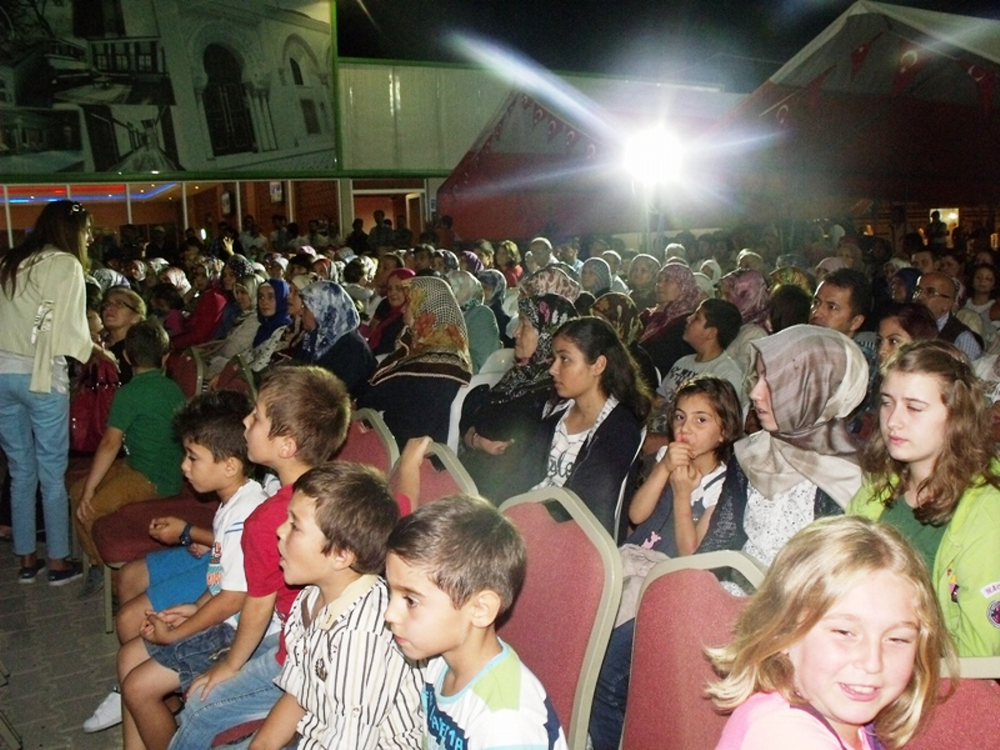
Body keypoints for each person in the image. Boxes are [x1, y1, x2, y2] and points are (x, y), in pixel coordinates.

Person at [170, 366, 351, 749]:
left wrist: (231, 666)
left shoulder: (268, 519)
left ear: (286, 446)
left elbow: (258, 605)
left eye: (256, 417)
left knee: (199, 706)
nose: (245, 422)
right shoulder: (344, 489)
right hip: (313, 640)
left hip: (301, 651)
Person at [83, 391, 259, 734]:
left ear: (229, 466)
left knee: (138, 683)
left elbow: (233, 598)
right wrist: (194, 607)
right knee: (128, 659)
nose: (183, 466)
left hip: (233, 632)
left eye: (193, 457)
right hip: (223, 615)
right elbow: (222, 580)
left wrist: (180, 631)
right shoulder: (233, 504)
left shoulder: (244, 515)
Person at [708, 516, 955, 750]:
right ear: (783, 632)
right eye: (845, 633)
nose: (872, 663)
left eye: (896, 639)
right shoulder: (783, 733)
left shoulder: (853, 725)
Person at [590, 377, 744, 750]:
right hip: (634, 563)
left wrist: (682, 494)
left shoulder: (724, 485)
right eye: (679, 417)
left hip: (669, 586)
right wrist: (662, 471)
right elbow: (637, 514)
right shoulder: (667, 459)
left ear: (724, 431)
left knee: (606, 669)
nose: (685, 428)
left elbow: (692, 556)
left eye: (701, 420)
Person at [237, 463, 422, 749]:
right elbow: (299, 693)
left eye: (295, 525)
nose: (279, 531)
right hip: (319, 732)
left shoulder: (361, 637)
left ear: (341, 555)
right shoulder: (310, 597)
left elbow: (351, 741)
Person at [850, 340, 1000, 656]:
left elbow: (978, 652)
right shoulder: (878, 488)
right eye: (887, 402)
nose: (893, 421)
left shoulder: (988, 512)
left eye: (914, 408)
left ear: (957, 416)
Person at [384, 495, 569, 750]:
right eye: (390, 593)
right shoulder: (439, 661)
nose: (390, 614)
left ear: (480, 609)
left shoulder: (504, 725)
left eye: (411, 600)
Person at [698, 326, 868, 569]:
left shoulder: (848, 478)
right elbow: (719, 542)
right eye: (758, 377)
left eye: (774, 382)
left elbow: (830, 576)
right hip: (735, 584)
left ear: (816, 390)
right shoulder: (753, 452)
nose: (755, 393)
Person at [0, 199, 95, 584]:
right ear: (71, 230)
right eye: (86, 231)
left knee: (20, 470)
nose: (88, 238)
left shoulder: (10, 261)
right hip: (41, 376)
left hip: (2, 375)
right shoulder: (64, 263)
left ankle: (27, 559)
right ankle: (57, 561)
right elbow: (67, 329)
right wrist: (93, 351)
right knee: (52, 473)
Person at [71, 320, 186, 577]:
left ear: (125, 356)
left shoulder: (128, 393)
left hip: (153, 478)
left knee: (89, 508)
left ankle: (112, 580)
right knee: (78, 492)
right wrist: (87, 487)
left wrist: (91, 488)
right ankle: (99, 567)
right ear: (165, 357)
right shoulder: (174, 389)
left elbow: (110, 443)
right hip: (144, 467)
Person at [522, 317, 652, 539]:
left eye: (565, 359)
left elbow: (583, 504)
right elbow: (522, 474)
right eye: (554, 359)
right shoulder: (555, 412)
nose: (553, 369)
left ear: (598, 365)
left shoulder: (619, 429)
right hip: (531, 518)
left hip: (576, 536)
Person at [460, 294, 578, 503]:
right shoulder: (519, 375)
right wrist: (478, 441)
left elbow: (509, 448)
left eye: (525, 325)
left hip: (497, 495)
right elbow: (472, 421)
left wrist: (476, 435)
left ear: (547, 335)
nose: (515, 333)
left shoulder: (553, 393)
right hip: (472, 476)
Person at [359, 276, 472, 446]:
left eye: (410, 304)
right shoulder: (439, 351)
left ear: (425, 309)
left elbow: (380, 398)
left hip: (399, 449)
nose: (403, 310)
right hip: (400, 441)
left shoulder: (430, 364)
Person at [290, 280, 375, 398]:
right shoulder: (314, 338)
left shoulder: (352, 349)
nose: (300, 312)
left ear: (323, 310)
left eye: (306, 307)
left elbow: (334, 396)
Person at [638, 263, 699, 375]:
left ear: (684, 286)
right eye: (659, 280)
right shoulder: (648, 316)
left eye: (667, 280)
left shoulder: (687, 322)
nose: (660, 285)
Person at [914, 270, 983, 360]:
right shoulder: (905, 322)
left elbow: (970, 368)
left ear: (948, 304)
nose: (920, 296)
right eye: (918, 290)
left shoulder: (962, 338)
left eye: (930, 292)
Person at [205, 274, 262, 380]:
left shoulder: (256, 320)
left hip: (233, 371)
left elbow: (231, 351)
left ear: (254, 293)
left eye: (243, 292)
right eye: (237, 292)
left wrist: (218, 350)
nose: (239, 297)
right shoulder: (242, 316)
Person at [448, 270, 500, 374]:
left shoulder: (481, 314)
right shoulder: (450, 313)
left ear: (464, 290)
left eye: (450, 288)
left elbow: (478, 363)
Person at [718, 269, 770, 373]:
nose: (722, 299)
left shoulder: (755, 334)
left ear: (746, 297)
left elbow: (742, 375)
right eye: (720, 294)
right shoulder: (732, 324)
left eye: (728, 295)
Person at [242, 278, 293, 374]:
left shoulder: (284, 331)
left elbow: (261, 366)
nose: (264, 302)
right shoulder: (264, 327)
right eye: (261, 297)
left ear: (281, 299)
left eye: (271, 297)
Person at [99, 287, 146, 384]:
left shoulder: (138, 350)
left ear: (135, 317)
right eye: (107, 304)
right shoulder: (98, 344)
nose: (109, 308)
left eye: (119, 304)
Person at [365, 267, 414, 356]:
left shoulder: (410, 317)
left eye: (399, 288)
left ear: (410, 290)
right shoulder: (388, 308)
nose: (392, 293)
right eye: (389, 288)